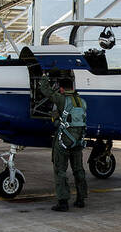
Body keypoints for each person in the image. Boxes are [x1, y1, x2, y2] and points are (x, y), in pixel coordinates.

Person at [38, 76, 88, 212]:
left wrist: (44, 78)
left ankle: (63, 201)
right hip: (78, 140)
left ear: (61, 89)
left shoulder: (62, 100)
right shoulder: (82, 102)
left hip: (64, 140)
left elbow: (46, 91)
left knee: (60, 170)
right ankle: (81, 198)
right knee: (78, 169)